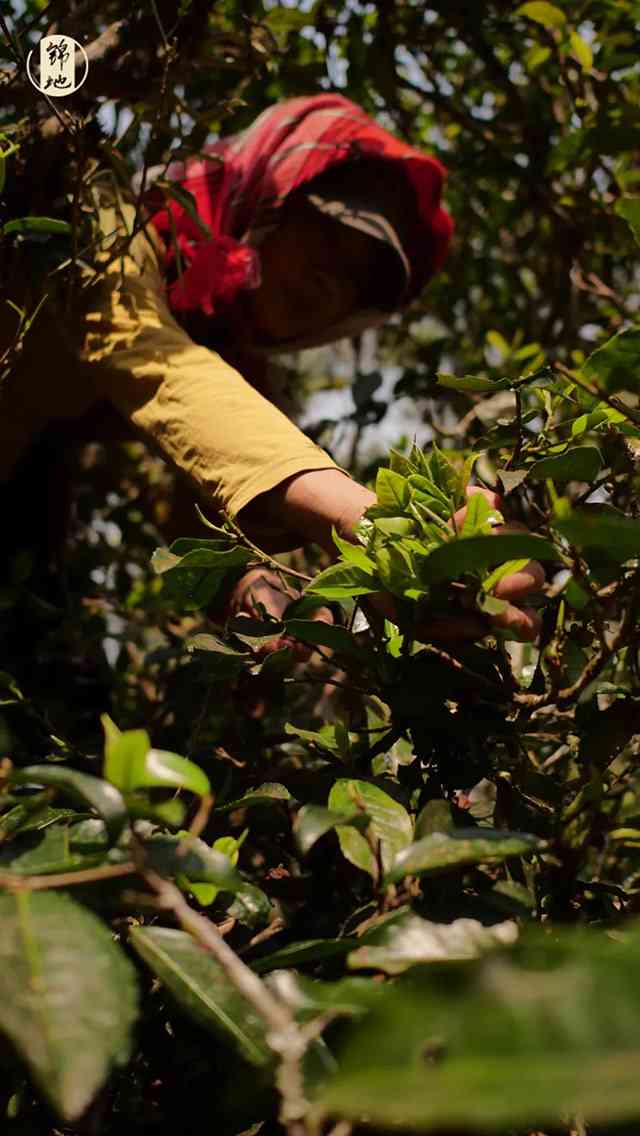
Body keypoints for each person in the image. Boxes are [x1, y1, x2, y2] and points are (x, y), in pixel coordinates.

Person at [0, 93, 543, 652]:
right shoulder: (105, 211)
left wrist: (259, 590)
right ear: (271, 195)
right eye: (327, 236)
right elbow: (141, 346)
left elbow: (200, 500)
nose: (329, 283)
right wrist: (373, 522)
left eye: (360, 282)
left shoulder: (235, 358)